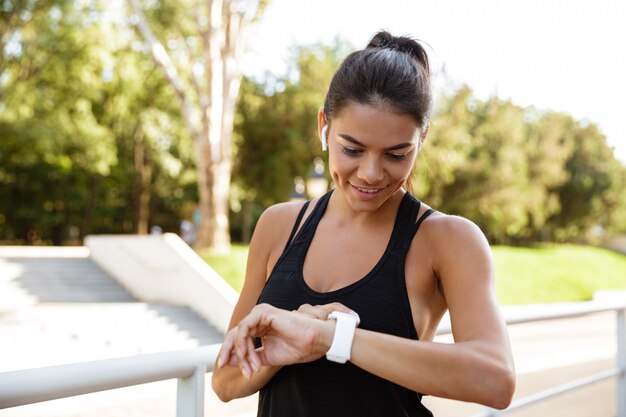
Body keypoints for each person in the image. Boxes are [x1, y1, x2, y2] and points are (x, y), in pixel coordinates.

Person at [211, 30, 515, 416]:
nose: (370, 174)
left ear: (422, 139)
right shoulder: (278, 226)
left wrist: (332, 338)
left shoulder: (447, 239)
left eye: (396, 154)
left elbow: (496, 379)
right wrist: (281, 351)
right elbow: (224, 381)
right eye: (351, 149)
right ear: (325, 125)